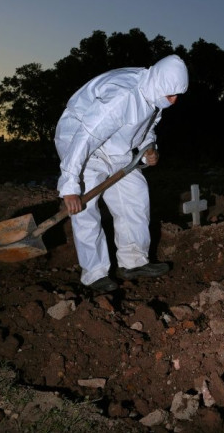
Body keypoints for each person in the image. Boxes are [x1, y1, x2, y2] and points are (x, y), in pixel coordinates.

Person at [54, 54, 189, 292]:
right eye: (171, 95)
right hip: (81, 143)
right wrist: (70, 187)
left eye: (177, 95)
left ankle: (133, 262)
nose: (174, 100)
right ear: (160, 85)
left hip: (115, 147)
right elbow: (86, 137)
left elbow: (146, 124)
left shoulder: (154, 92)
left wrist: (149, 148)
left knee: (135, 194)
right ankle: (94, 274)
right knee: (85, 207)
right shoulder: (121, 97)